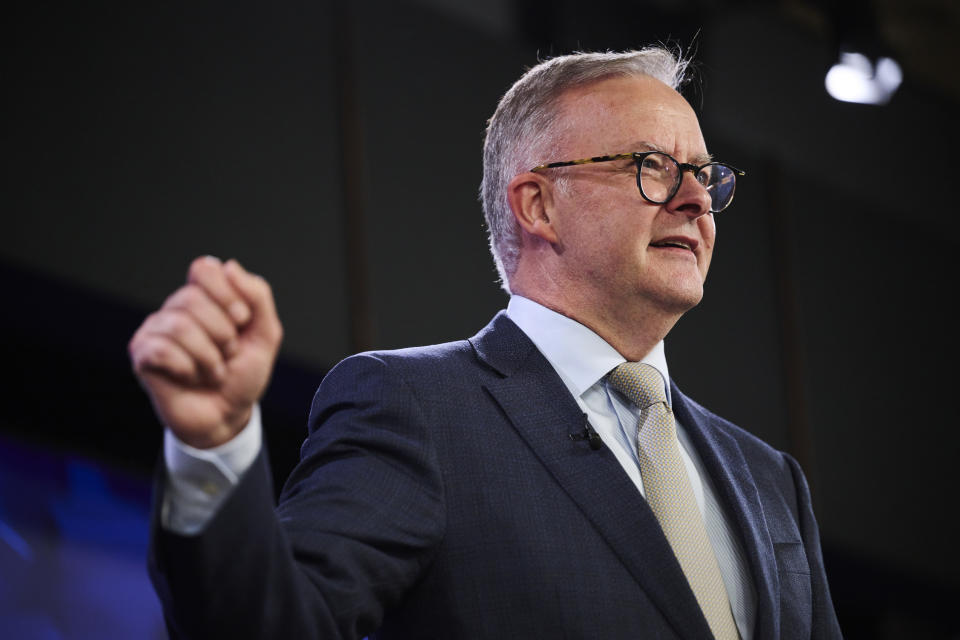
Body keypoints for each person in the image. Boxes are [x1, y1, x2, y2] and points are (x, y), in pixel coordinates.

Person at [130, 47, 842, 639]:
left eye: (704, 176)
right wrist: (214, 450)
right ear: (539, 205)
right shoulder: (416, 410)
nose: (693, 200)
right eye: (651, 166)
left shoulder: (769, 479)